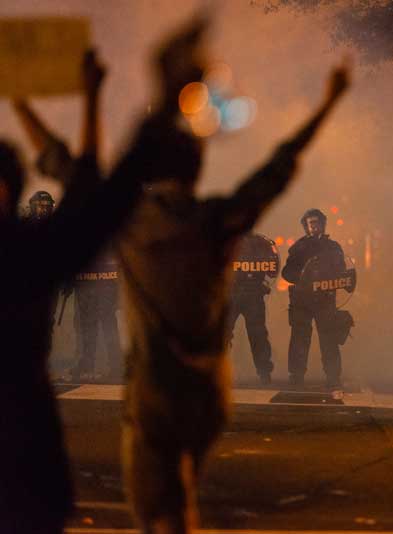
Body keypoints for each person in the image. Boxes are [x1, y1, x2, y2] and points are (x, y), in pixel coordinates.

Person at [115, 25, 350, 529]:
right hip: (206, 391)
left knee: (155, 508)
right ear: (198, 170)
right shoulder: (217, 220)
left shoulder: (131, 223)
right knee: (183, 493)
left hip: (154, 388)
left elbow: (101, 174)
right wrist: (328, 105)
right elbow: (278, 168)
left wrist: (159, 95)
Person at [0, 38, 188, 534]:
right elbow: (95, 197)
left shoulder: (23, 251)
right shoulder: (27, 252)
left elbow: (93, 198)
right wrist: (97, 100)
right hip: (24, 459)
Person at [282, 209, 349, 389]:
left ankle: (333, 377)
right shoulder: (298, 248)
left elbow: (342, 271)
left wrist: (332, 279)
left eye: (317, 222)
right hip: (302, 300)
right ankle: (296, 376)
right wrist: (302, 276)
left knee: (329, 339)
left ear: (323, 224)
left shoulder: (333, 247)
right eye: (311, 223)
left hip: (325, 299)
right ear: (306, 226)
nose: (314, 226)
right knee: (299, 339)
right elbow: (287, 272)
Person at [226, 232, 279, 384]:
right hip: (232, 294)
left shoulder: (261, 243)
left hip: (252, 296)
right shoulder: (229, 239)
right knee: (225, 334)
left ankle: (264, 373)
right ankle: (219, 370)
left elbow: (273, 269)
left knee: (258, 335)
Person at [68, 247, 123, 383]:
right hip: (105, 277)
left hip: (94, 278)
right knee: (104, 324)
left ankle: (92, 367)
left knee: (92, 326)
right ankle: (112, 367)